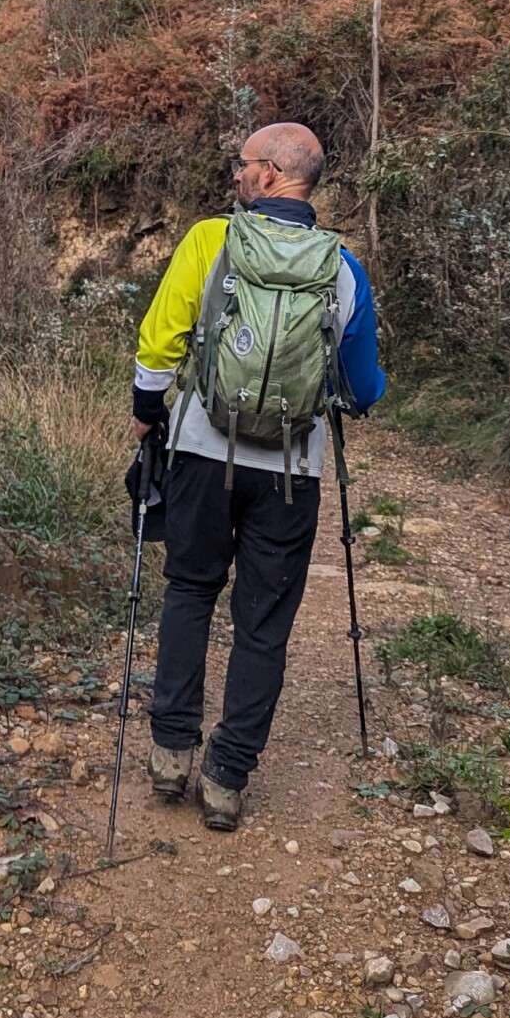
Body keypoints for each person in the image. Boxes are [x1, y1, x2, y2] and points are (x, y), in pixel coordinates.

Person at [129, 120, 385, 830]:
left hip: (203, 452)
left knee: (190, 590)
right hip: (291, 472)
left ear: (270, 173)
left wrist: (148, 412)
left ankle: (171, 752)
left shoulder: (210, 240)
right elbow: (362, 388)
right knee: (263, 623)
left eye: (243, 164)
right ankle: (226, 779)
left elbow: (160, 343)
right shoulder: (343, 268)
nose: (236, 174)